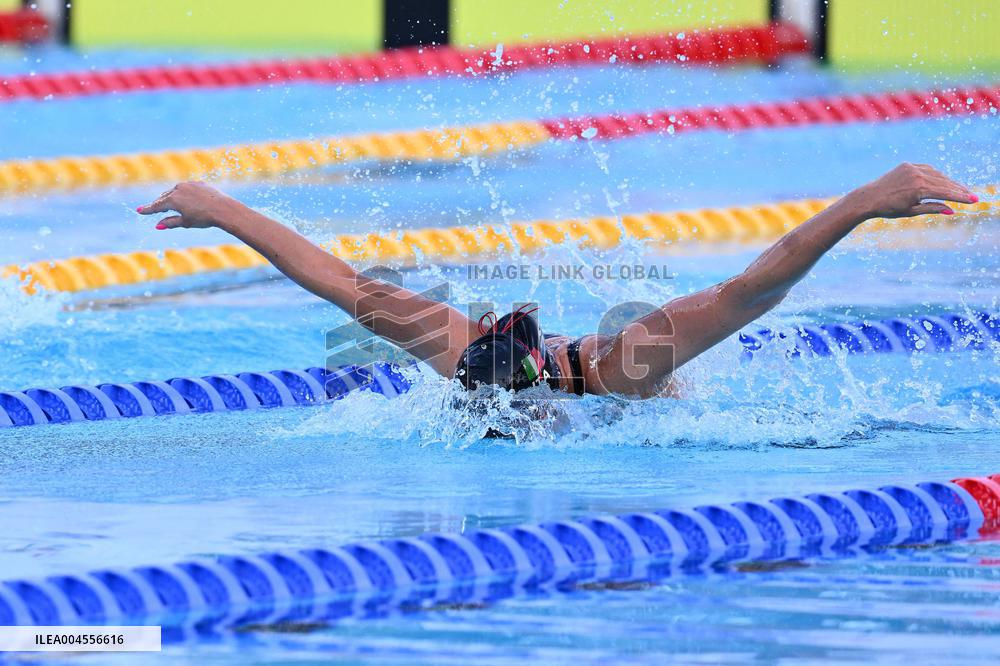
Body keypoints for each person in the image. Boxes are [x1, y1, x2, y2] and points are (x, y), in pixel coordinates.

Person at [138, 163, 978, 399]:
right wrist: (221, 208)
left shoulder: (624, 369)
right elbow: (339, 282)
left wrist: (865, 202)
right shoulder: (460, 353)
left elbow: (749, 291)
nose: (483, 415)